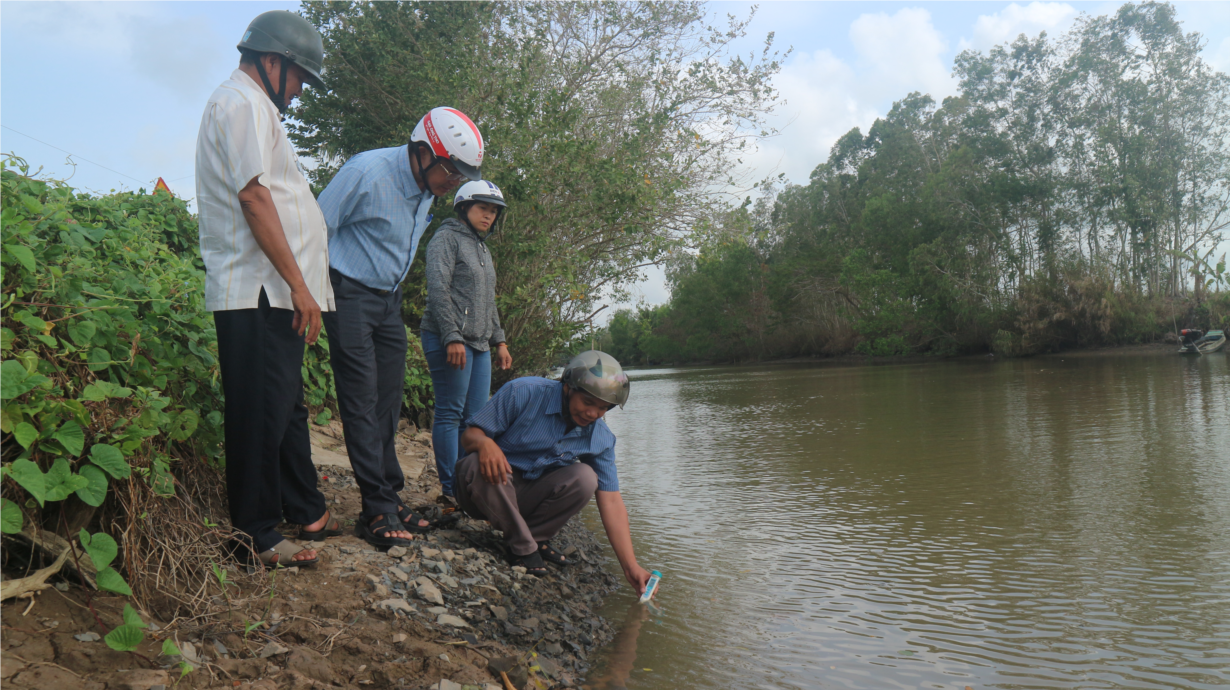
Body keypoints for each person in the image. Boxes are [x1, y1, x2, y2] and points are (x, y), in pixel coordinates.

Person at [195, 11, 341, 566]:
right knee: (259, 409)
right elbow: (254, 198)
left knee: (284, 405)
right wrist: (300, 285)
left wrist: (302, 290)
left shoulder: (255, 109)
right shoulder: (239, 104)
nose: (300, 90)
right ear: (273, 61)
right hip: (257, 288)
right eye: (300, 76)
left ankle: (304, 507)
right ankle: (253, 534)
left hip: (275, 291)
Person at [317, 107, 484, 548]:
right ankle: (375, 508)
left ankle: (390, 492)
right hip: (347, 291)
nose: (453, 184)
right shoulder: (366, 172)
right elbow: (316, 228)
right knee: (360, 398)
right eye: (451, 171)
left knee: (389, 401)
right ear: (423, 152)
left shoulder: (428, 185)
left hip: (387, 300)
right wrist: (308, 294)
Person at [455, 351, 652, 591]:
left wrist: (630, 566)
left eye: (602, 408)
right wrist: (485, 443)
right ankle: (523, 547)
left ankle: (533, 538)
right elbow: (469, 436)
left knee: (586, 478)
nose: (592, 414)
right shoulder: (522, 391)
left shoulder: (600, 437)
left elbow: (611, 500)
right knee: (476, 462)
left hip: (526, 496)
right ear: (568, 387)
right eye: (587, 402)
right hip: (481, 489)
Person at [420, 180, 514, 499]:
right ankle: (449, 490)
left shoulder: (482, 248)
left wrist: (499, 341)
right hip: (448, 339)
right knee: (449, 413)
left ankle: (467, 488)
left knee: (475, 421)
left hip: (479, 344)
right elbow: (438, 291)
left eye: (493, 211)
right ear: (463, 207)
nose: (488, 216)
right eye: (482, 208)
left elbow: (488, 300)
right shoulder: (446, 239)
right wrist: (451, 336)